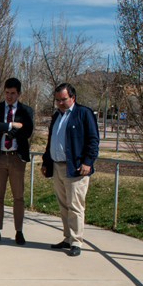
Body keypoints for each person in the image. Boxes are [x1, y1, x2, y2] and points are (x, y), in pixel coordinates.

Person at [41, 82, 99, 257]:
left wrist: (87, 162)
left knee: (75, 206)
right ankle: (67, 237)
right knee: (63, 205)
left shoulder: (83, 114)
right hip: (58, 167)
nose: (59, 103)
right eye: (57, 99)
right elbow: (51, 141)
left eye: (63, 99)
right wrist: (46, 162)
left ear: (72, 98)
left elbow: (93, 141)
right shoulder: (57, 116)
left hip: (75, 169)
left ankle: (76, 241)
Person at [0, 77, 34, 245]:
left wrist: (4, 127)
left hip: (17, 158)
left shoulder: (26, 110)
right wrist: (12, 125)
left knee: (18, 197)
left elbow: (27, 130)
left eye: (13, 93)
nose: (9, 96)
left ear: (19, 93)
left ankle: (18, 231)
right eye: (7, 93)